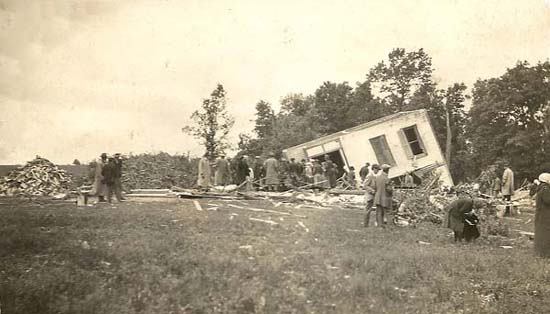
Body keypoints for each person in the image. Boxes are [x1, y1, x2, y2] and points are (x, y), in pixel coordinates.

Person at [533, 173, 550, 257]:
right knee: (544, 233)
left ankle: (540, 252)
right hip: (545, 214)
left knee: (540, 232)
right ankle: (544, 253)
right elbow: (548, 200)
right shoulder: (545, 188)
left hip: (541, 213)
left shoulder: (541, 187)